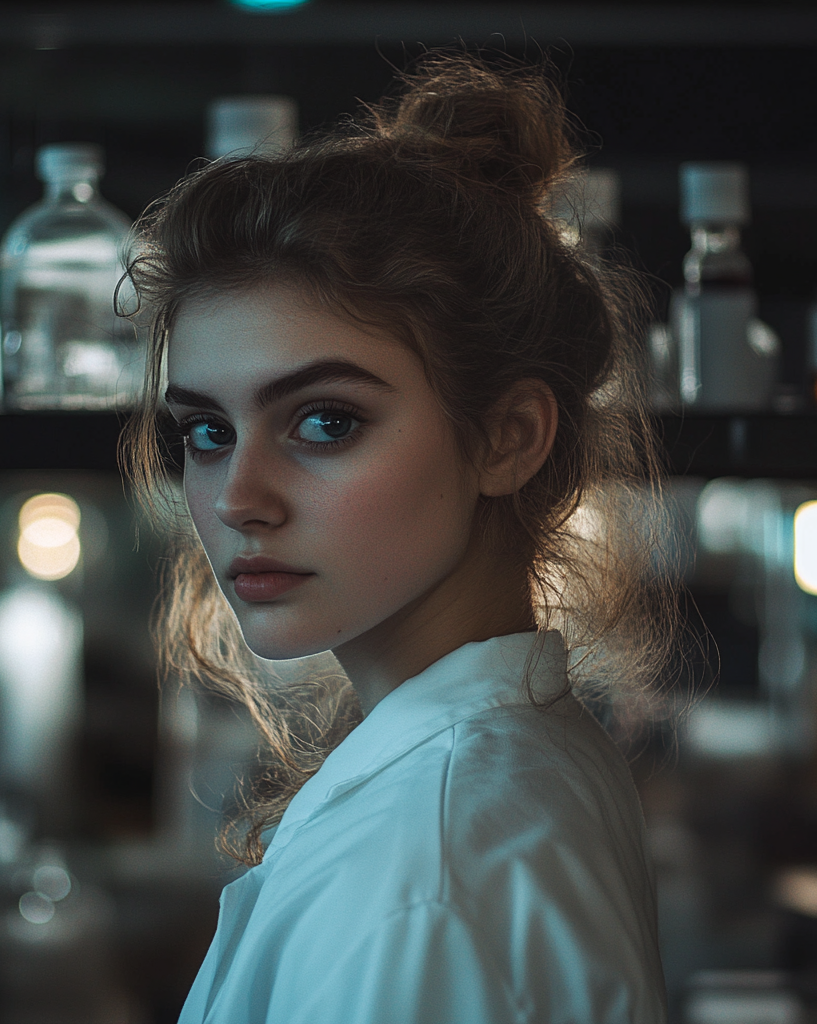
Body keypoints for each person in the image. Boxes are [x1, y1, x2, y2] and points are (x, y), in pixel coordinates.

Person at [126, 50, 677, 1024]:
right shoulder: (505, 758)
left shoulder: (427, 872)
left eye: (324, 421)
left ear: (507, 437)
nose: (237, 496)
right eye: (206, 431)